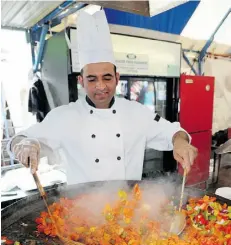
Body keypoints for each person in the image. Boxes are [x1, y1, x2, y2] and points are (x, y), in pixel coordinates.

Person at [8, 10, 198, 185]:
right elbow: (20, 138)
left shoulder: (136, 113)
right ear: (81, 81)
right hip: (83, 210)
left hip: (130, 208)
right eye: (92, 79)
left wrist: (180, 142)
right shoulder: (64, 117)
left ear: (117, 78)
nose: (100, 86)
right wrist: (24, 144)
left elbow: (173, 132)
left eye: (107, 77)